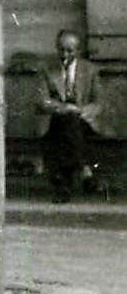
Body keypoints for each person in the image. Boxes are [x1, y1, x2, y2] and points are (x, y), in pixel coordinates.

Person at [40, 29, 103, 201]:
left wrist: (80, 111)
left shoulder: (90, 70)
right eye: (61, 49)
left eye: (70, 50)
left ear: (79, 50)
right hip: (54, 120)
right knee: (66, 121)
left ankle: (64, 185)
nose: (64, 54)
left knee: (70, 124)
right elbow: (41, 100)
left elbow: (99, 103)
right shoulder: (46, 69)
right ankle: (85, 170)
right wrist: (64, 107)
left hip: (83, 121)